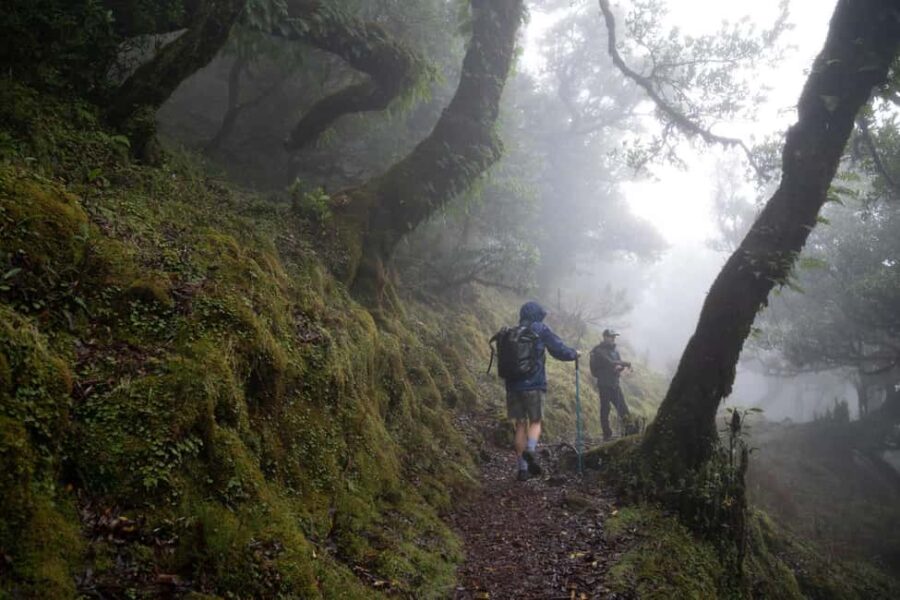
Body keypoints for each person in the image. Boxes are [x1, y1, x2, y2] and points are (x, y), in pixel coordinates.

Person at [506, 301, 579, 481]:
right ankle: (531, 449)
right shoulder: (540, 329)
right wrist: (574, 354)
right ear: (537, 314)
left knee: (520, 424)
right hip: (534, 385)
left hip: (513, 387)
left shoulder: (512, 332)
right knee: (535, 421)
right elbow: (559, 350)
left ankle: (522, 470)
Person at [590, 329, 632, 441]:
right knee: (605, 409)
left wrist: (620, 368)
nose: (613, 338)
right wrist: (625, 364)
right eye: (611, 336)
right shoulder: (598, 351)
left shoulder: (615, 351)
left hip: (615, 383)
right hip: (604, 384)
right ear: (604, 337)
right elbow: (609, 363)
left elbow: (617, 364)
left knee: (623, 408)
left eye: (614, 337)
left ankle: (629, 432)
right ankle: (607, 434)